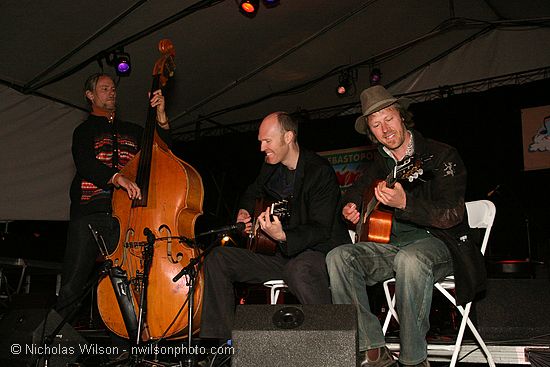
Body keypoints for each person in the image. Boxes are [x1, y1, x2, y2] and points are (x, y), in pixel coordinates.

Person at [326, 85, 486, 367]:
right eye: (376, 125)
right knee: (339, 257)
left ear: (401, 116)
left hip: (441, 243)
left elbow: (452, 214)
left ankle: (413, 360)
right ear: (371, 133)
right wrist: (349, 209)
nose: (384, 129)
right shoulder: (377, 166)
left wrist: (405, 204)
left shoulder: (441, 155)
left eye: (388, 119)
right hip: (391, 248)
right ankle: (373, 349)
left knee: (409, 259)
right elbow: (353, 195)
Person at [199, 111, 350, 342]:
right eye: (260, 141)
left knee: (298, 269)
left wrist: (283, 236)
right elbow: (252, 193)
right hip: (282, 255)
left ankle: (330, 341)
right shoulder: (270, 166)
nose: (262, 148)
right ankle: (224, 345)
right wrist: (245, 211)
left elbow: (320, 228)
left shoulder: (318, 171)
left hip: (319, 253)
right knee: (218, 258)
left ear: (288, 137)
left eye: (267, 141)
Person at [55, 73, 170, 320]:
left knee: (124, 284)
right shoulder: (83, 131)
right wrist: (118, 178)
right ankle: (56, 348)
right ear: (90, 95)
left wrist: (160, 115)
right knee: (72, 284)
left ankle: (123, 345)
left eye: (113, 88)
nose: (112, 92)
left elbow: (164, 154)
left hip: (125, 218)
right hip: (90, 213)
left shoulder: (133, 131)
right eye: (104, 88)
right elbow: (85, 164)